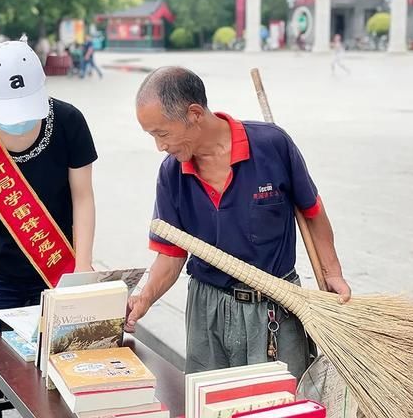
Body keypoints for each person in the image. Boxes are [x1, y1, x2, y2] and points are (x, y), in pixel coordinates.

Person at [126, 66, 351, 380]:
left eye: (161, 133)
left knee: (280, 407)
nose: (159, 146)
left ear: (194, 114)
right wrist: (144, 298)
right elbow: (171, 254)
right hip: (209, 310)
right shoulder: (171, 174)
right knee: (211, 405)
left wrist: (332, 273)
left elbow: (312, 212)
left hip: (276, 306)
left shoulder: (273, 145)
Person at [0, 41, 98, 407]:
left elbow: (83, 197)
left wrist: (82, 268)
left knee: (66, 378)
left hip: (58, 268)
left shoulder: (68, 122)